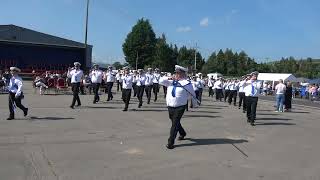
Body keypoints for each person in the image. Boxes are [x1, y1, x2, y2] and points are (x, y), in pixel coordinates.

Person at [159, 65, 198, 149]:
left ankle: (170, 142)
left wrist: (193, 104)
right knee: (174, 121)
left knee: (174, 124)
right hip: (170, 105)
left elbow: (192, 94)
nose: (177, 75)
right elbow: (160, 81)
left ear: (183, 74)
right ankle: (182, 133)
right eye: (176, 73)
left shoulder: (187, 84)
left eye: (179, 73)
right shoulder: (170, 81)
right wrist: (169, 77)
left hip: (180, 106)